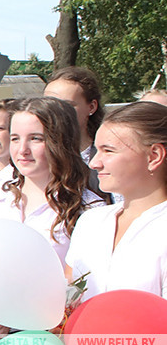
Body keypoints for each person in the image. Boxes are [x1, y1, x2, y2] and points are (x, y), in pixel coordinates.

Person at [0, 97, 103, 262]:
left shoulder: (89, 209)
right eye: (15, 139)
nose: (22, 150)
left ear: (60, 141)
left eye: (35, 138)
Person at [66, 102, 167, 300]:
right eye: (97, 150)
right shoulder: (91, 221)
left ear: (154, 156)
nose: (95, 163)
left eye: (108, 150)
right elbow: (69, 297)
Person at [43, 66, 104, 164]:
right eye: (50, 105)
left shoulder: (105, 158)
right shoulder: (36, 157)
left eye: (67, 105)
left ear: (92, 107)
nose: (56, 112)